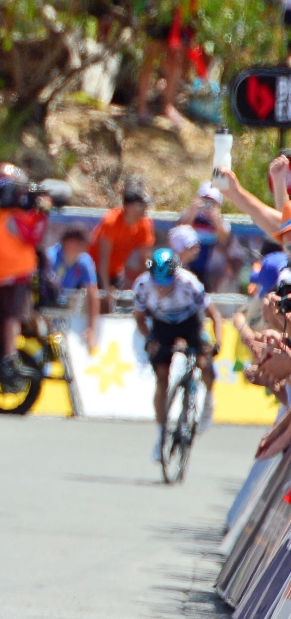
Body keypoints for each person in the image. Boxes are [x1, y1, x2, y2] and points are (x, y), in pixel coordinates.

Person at [133, 247, 223, 460]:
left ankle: (208, 401)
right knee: (162, 379)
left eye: (167, 283)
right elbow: (138, 318)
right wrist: (150, 339)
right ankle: (160, 436)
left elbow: (215, 315)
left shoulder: (189, 283)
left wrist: (217, 342)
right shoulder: (143, 285)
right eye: (159, 284)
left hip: (190, 323)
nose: (162, 289)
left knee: (203, 362)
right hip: (162, 325)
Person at [0, 163, 48, 380]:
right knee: (13, 317)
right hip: (16, 275)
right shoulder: (13, 217)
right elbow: (33, 236)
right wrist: (42, 214)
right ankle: (10, 357)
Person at [91, 179, 155, 293]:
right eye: (142, 205)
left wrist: (153, 277)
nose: (146, 208)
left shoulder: (144, 224)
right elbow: (103, 260)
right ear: (130, 207)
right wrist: (106, 289)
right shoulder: (111, 222)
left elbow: (145, 260)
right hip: (93, 272)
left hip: (116, 273)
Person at [46, 225, 100, 351]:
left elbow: (93, 294)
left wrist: (91, 328)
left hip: (66, 313)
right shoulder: (50, 258)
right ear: (70, 242)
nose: (85, 249)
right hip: (47, 311)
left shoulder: (84, 261)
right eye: (82, 244)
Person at [178, 181, 230, 290]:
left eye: (212, 202)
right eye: (205, 200)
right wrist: (193, 212)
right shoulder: (190, 214)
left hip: (208, 265)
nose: (207, 204)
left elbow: (224, 238)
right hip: (188, 261)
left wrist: (215, 219)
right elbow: (180, 230)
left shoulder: (219, 219)